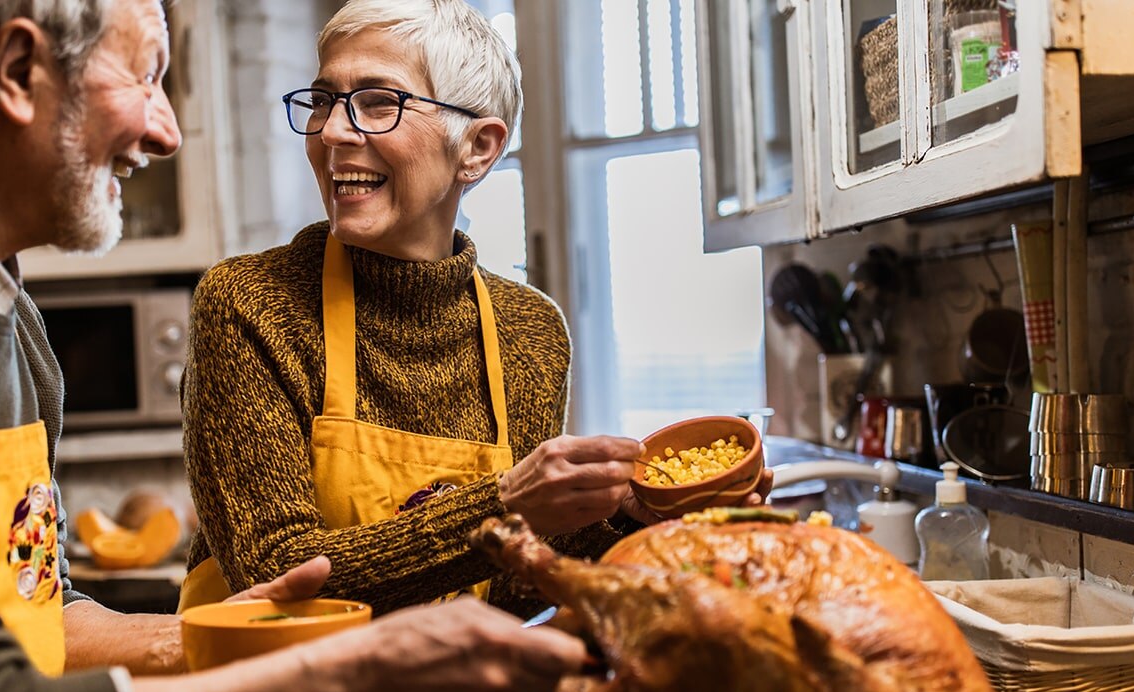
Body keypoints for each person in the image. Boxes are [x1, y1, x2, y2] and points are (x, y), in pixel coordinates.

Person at [0, 1, 588, 692]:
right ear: (19, 72)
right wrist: (349, 675)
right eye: (145, 78)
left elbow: (34, 614)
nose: (167, 132)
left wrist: (230, 639)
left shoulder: (0, 312)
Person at [182, 0, 773, 616]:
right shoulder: (249, 303)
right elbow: (279, 578)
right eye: (325, 100)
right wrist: (509, 505)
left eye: (380, 102)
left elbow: (511, 586)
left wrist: (639, 521)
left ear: (477, 148)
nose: (331, 131)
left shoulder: (531, 331)